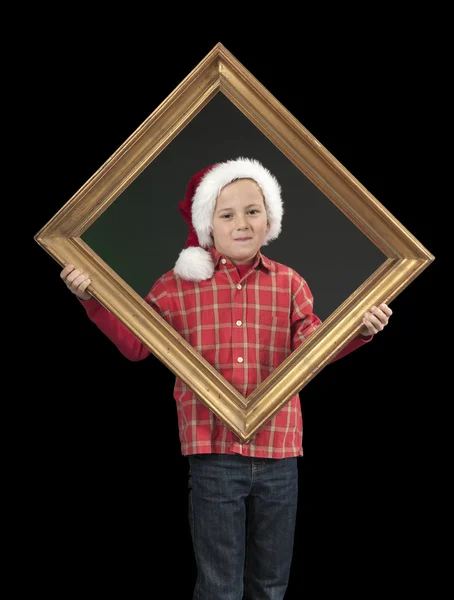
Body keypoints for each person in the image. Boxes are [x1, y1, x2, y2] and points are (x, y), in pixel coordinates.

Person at [60, 157, 392, 600]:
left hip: (279, 454)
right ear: (208, 224)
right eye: (227, 213)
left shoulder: (290, 285)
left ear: (269, 218)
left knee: (271, 585)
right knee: (219, 586)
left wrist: (360, 330)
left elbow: (315, 350)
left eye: (252, 211)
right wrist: (93, 299)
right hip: (213, 453)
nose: (241, 223)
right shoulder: (176, 287)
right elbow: (137, 345)